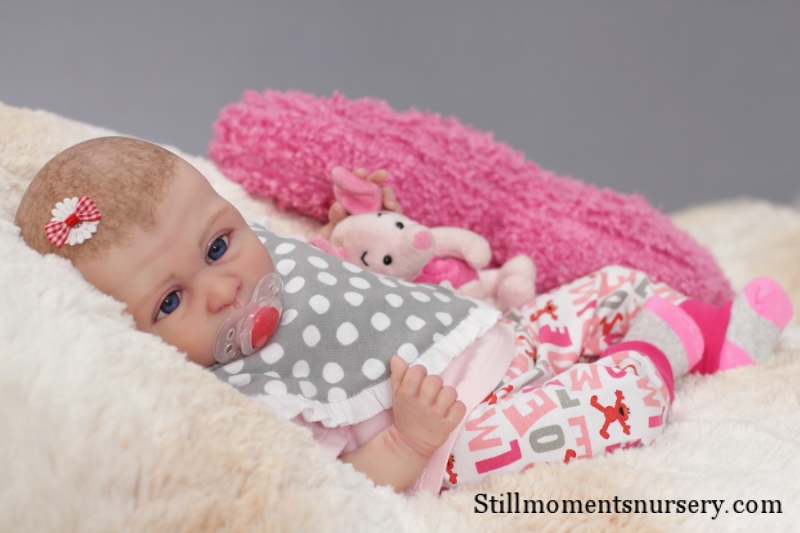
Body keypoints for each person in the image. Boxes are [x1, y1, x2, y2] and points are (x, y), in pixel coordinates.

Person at [15, 136, 793, 493]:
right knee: (606, 407)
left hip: (494, 335)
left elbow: (354, 273)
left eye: (219, 244)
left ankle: (715, 337)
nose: (221, 291)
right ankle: (659, 354)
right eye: (170, 301)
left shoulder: (266, 255)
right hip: (462, 432)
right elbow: (327, 481)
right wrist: (406, 440)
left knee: (610, 286)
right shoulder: (244, 394)